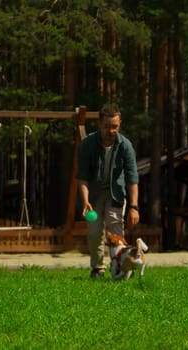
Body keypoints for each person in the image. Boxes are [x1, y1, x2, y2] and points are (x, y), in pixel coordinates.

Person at [76, 105, 140, 278]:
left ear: (119, 125)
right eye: (107, 126)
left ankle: (120, 266)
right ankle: (98, 268)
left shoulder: (125, 145)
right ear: (99, 124)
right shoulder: (87, 144)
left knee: (115, 228)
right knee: (95, 231)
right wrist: (85, 200)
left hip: (115, 193)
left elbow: (132, 178)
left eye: (115, 127)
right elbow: (82, 177)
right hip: (93, 193)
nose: (111, 130)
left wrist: (134, 207)